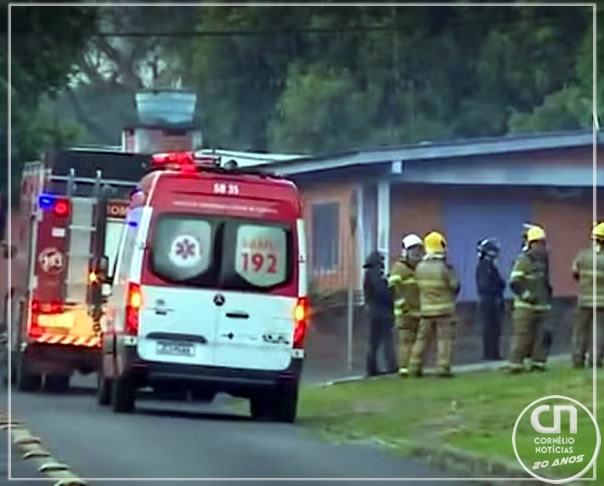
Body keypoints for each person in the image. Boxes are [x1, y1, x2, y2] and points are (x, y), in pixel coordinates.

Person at [409, 231, 460, 378]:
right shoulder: (444, 267)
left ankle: (414, 366)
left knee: (421, 340)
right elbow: (454, 285)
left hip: (426, 310)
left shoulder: (420, 267)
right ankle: (443, 367)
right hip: (444, 310)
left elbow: (418, 286)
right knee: (444, 340)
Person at [506, 225, 553, 373]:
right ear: (531, 244)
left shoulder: (544, 261)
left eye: (542, 243)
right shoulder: (523, 260)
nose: (541, 247)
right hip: (525, 307)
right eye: (538, 243)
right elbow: (515, 282)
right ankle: (516, 365)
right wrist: (526, 295)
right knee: (522, 336)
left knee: (543, 335)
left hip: (542, 306)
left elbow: (545, 281)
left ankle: (538, 363)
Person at [388, 234, 424, 377]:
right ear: (405, 252)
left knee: (418, 343)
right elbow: (393, 289)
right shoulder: (399, 268)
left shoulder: (420, 269)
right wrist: (402, 306)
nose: (416, 253)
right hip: (405, 313)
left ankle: (415, 368)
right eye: (413, 250)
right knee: (406, 342)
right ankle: (404, 369)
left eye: (418, 250)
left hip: (419, 313)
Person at [571, 222, 604, 368]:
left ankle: (577, 360)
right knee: (599, 331)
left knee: (580, 331)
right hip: (602, 302)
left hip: (584, 299)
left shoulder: (582, 255)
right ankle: (595, 360)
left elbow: (575, 273)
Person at [363, 251, 398, 376]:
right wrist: (391, 296)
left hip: (374, 312)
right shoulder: (375, 274)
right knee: (386, 340)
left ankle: (371, 367)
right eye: (381, 260)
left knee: (374, 341)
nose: (383, 263)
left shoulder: (369, 274)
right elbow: (381, 292)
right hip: (382, 313)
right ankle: (391, 365)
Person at [476, 238, 506, 360]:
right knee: (490, 328)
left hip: (491, 300)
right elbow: (485, 285)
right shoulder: (485, 266)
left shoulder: (488, 265)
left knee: (494, 328)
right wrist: (499, 285)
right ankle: (490, 354)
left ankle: (493, 353)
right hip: (489, 301)